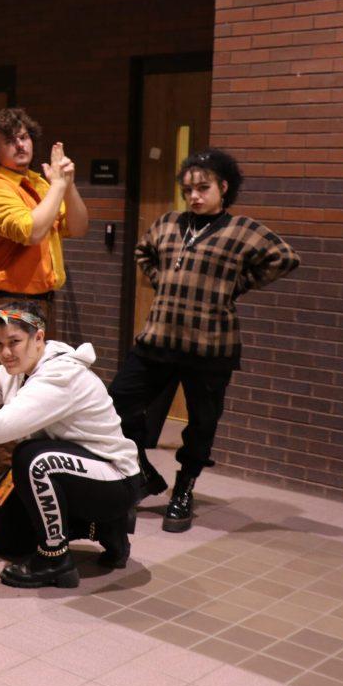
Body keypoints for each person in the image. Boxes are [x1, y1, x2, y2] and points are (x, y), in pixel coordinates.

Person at [109, 149, 299, 532]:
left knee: (202, 424)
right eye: (188, 189)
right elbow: (143, 251)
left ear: (223, 187)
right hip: (158, 339)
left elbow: (285, 257)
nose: (194, 196)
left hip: (210, 347)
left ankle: (184, 488)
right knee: (115, 406)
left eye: (203, 187)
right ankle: (143, 473)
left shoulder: (242, 229)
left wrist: (236, 286)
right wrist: (162, 280)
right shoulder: (168, 223)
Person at [0, 301, 142, 589]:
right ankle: (104, 527)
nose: (5, 352)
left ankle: (55, 561)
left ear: (39, 338)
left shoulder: (59, 375)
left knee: (31, 459)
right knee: (5, 539)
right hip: (75, 471)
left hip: (114, 478)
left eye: (14, 342)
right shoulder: (18, 367)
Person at [0, 108, 89, 490]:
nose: (20, 144)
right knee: (8, 389)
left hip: (40, 298)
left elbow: (78, 225)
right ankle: (3, 478)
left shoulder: (41, 181)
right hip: (6, 298)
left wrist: (66, 183)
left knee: (31, 388)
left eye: (24, 137)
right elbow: (31, 230)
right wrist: (56, 187)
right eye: (10, 139)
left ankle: (22, 474)